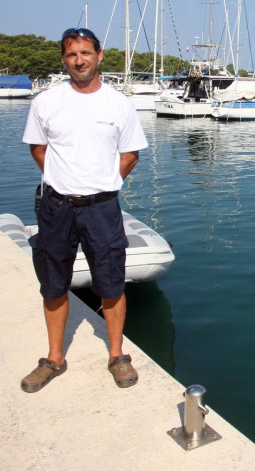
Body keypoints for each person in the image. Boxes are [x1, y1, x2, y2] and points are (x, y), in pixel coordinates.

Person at [20, 27, 148, 393]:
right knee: (53, 284)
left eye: (85, 53)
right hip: (56, 206)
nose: (79, 60)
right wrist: (63, 180)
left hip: (102, 208)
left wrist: (104, 183)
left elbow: (130, 154)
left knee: (111, 283)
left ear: (99, 55)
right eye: (72, 54)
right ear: (64, 59)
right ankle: (54, 358)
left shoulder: (118, 104)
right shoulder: (46, 101)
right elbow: (38, 148)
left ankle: (118, 355)